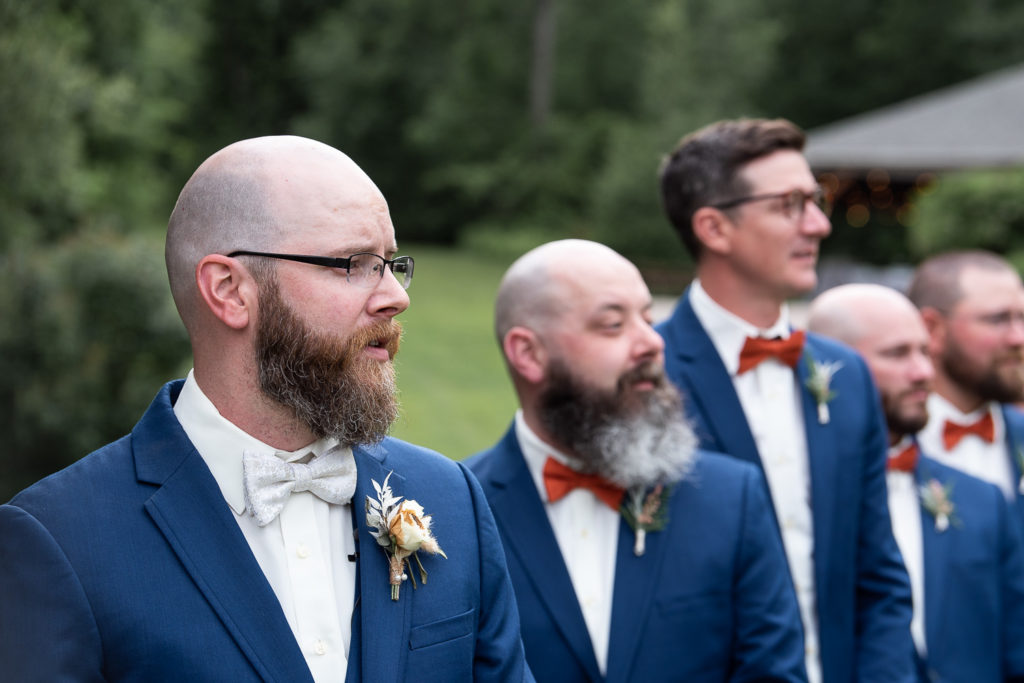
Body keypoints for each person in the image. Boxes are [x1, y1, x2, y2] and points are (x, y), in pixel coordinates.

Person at [0, 136, 532, 682]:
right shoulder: (59, 542)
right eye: (355, 264)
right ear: (230, 290)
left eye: (393, 264)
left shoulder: (452, 500)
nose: (396, 296)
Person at [467, 239, 808, 682]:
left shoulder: (733, 500)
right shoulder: (461, 512)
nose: (652, 342)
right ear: (529, 354)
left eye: (648, 319)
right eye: (613, 325)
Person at [656, 118, 914, 683]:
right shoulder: (647, 374)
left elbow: (879, 576)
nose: (819, 224)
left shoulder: (847, 375)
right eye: (790, 204)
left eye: (815, 202)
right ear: (714, 227)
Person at [808, 283, 1024, 682]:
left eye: (925, 351)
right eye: (896, 354)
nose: (924, 372)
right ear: (826, 365)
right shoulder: (796, 494)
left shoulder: (982, 500)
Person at [907, 250, 1024, 519]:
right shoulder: (887, 444)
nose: (1018, 338)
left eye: (1022, 318)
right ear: (932, 329)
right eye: (998, 319)